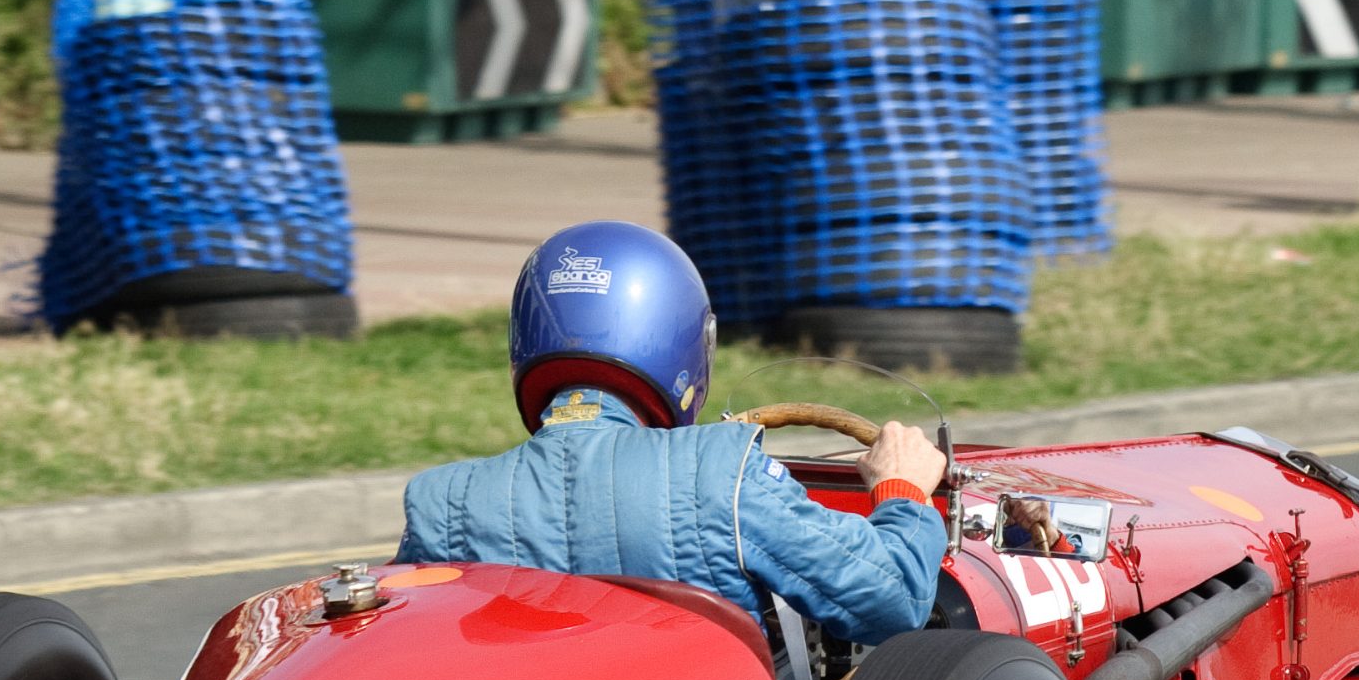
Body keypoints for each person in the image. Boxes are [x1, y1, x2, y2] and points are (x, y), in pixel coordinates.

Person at [396, 221, 946, 647]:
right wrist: (903, 491)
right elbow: (891, 601)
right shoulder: (720, 470)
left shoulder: (444, 502)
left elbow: (405, 647)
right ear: (682, 340)